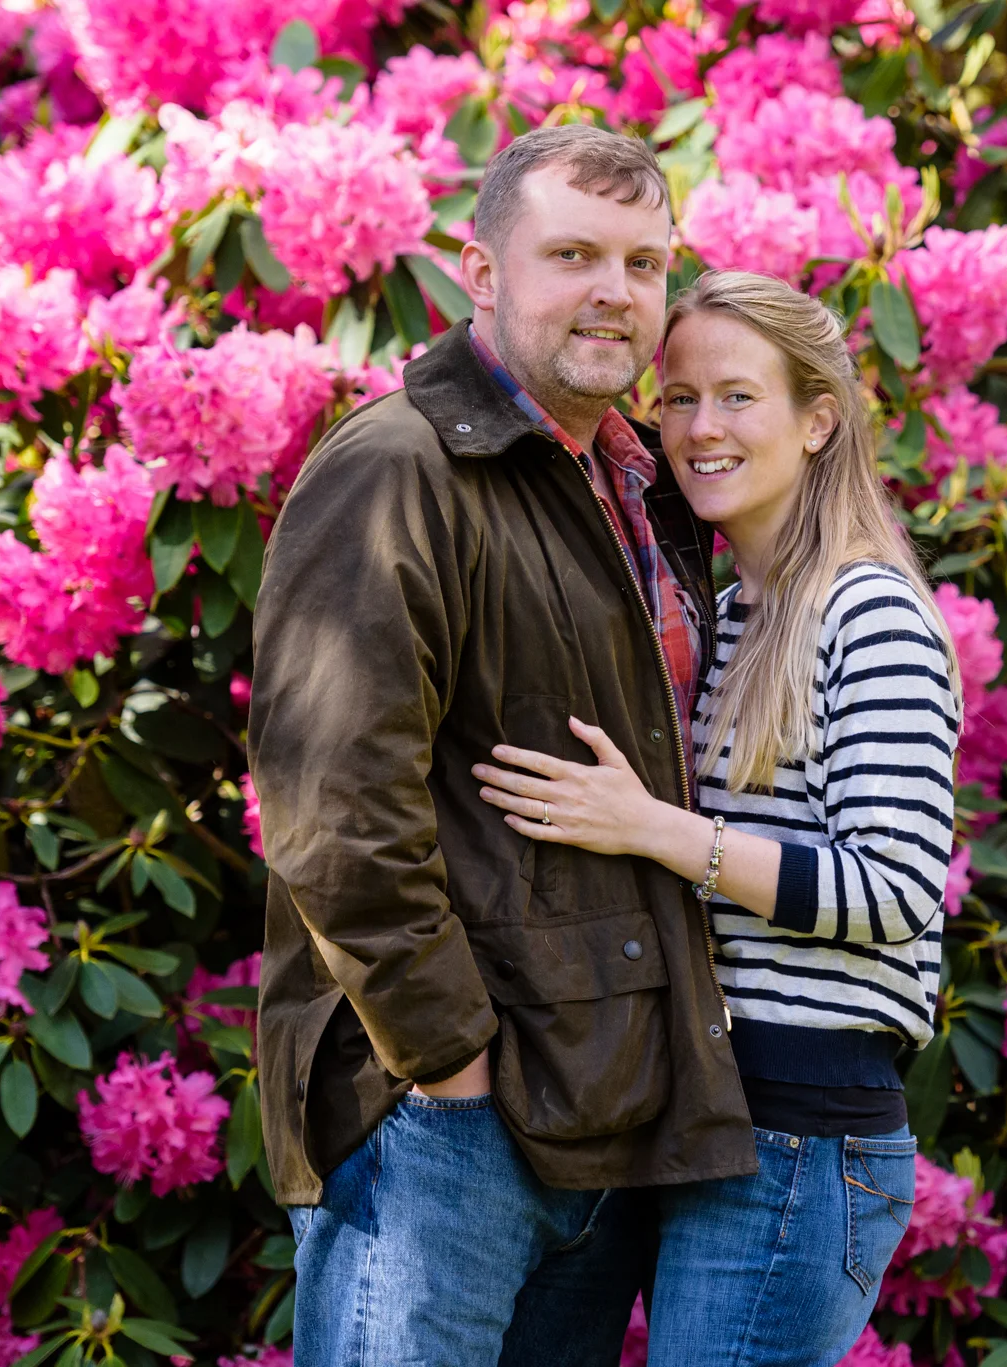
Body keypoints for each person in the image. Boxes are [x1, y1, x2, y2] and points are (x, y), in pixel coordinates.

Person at [247, 126, 757, 1367]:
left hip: (602, 1107)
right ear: (479, 270)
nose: (613, 291)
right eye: (571, 253)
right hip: (442, 1123)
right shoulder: (396, 466)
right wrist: (449, 1060)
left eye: (642, 263)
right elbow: (335, 803)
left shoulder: (638, 487)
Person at [475, 270, 961, 1367]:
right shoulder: (726, 611)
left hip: (800, 1133)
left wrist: (652, 828)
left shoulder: (869, 611)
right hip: (692, 1111)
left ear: (816, 418)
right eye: (678, 397)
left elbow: (890, 892)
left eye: (737, 397)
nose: (698, 428)